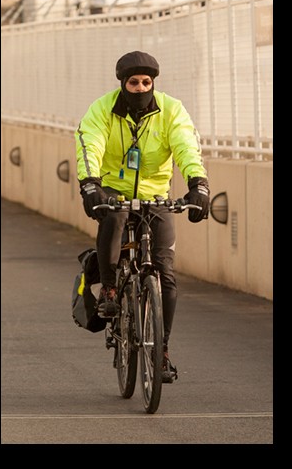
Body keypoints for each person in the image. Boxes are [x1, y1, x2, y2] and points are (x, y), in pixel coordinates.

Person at [75, 50, 210, 383]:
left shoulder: (171, 110)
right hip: (113, 192)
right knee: (115, 219)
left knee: (165, 271)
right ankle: (109, 290)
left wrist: (198, 183)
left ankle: (161, 350)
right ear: (123, 83)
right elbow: (89, 143)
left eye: (146, 82)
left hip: (155, 197)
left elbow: (185, 146)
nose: (139, 88)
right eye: (133, 82)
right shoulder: (102, 109)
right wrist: (91, 185)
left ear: (153, 83)